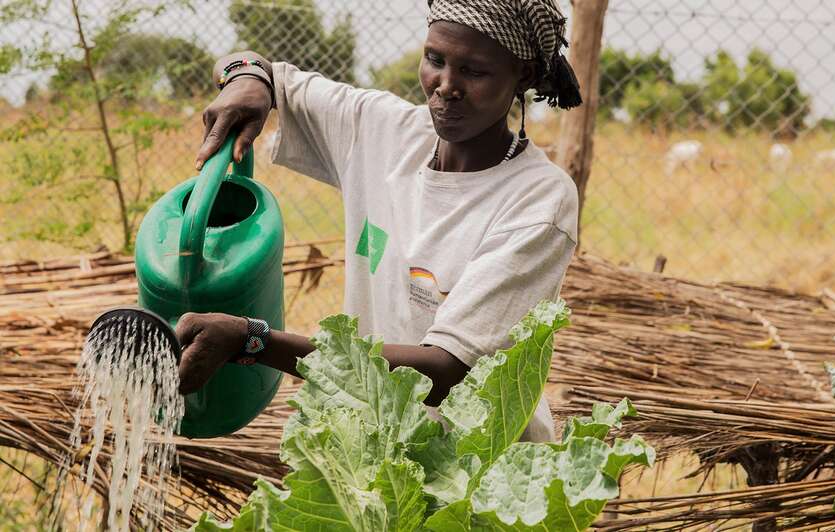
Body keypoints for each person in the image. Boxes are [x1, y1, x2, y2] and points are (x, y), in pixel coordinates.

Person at [177, 0, 582, 442]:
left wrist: (253, 341)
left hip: (480, 472)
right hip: (373, 453)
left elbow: (443, 372)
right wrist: (248, 79)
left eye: (474, 71)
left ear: (521, 75)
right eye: (435, 60)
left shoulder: (538, 199)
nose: (446, 86)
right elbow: (257, 68)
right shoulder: (383, 131)